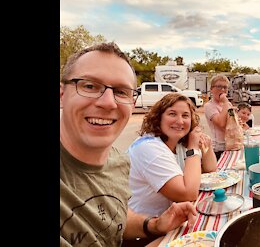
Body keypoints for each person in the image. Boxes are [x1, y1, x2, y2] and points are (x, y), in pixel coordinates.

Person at [60, 42, 197, 247]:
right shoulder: (148, 148)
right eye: (89, 86)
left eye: (121, 91)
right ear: (62, 94)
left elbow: (115, 217)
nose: (108, 102)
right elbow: (188, 192)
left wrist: (154, 225)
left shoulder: (118, 160)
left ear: (132, 103)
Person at [127, 93, 217, 217]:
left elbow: (211, 169)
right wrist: (193, 149)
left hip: (170, 218)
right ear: (159, 118)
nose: (180, 121)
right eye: (172, 114)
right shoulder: (148, 148)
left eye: (185, 116)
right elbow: (188, 194)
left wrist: (207, 144)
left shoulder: (178, 142)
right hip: (144, 229)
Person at [204, 75, 234, 160]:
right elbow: (221, 123)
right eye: (219, 86)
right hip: (219, 148)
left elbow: (232, 122)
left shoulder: (228, 104)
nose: (223, 90)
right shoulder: (209, 106)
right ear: (211, 89)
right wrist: (225, 103)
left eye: (225, 87)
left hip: (230, 144)